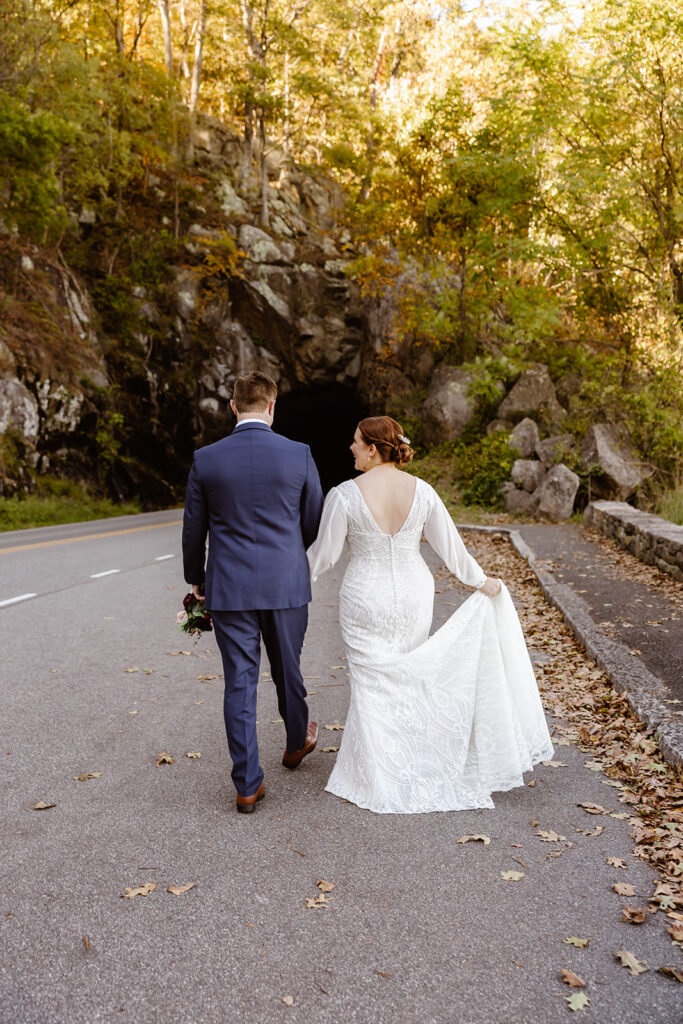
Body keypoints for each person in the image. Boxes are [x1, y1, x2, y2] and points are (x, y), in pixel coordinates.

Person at [306, 415, 553, 814]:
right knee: (408, 673)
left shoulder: (345, 495)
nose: (349, 448)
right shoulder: (423, 492)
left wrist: (286, 583)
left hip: (365, 596)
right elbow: (451, 548)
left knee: (371, 681)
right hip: (414, 593)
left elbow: (323, 557)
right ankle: (411, 755)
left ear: (372, 448)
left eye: (354, 442)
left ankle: (383, 773)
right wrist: (480, 580)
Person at [182, 371, 324, 813]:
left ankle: (247, 784)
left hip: (230, 587)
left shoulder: (206, 459)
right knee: (289, 669)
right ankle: (297, 742)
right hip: (286, 583)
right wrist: (286, 552)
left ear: (232, 406)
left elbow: (193, 531)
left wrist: (197, 580)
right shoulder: (298, 454)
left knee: (239, 683)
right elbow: (313, 518)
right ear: (272, 406)